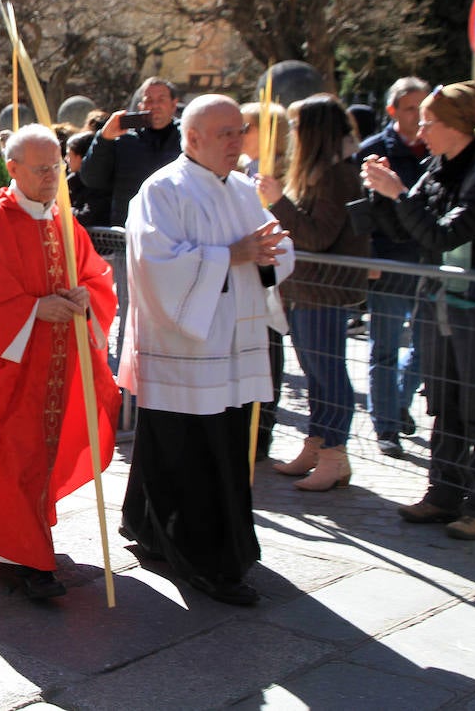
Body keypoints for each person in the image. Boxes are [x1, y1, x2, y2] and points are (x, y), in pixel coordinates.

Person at [0, 124, 120, 599]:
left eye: (56, 167)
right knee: (7, 457)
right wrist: (34, 310)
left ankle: (28, 543)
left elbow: (97, 276)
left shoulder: (63, 222)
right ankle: (21, 557)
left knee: (38, 458)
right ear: (13, 170)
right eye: (41, 169)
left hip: (53, 370)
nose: (53, 177)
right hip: (5, 375)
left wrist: (84, 295)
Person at [119, 94, 295, 606]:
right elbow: (156, 265)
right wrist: (231, 256)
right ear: (191, 137)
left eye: (239, 130)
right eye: (225, 133)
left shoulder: (243, 189)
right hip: (185, 349)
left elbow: (276, 248)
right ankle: (205, 562)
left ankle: (149, 526)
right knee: (189, 453)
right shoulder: (161, 190)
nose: (237, 140)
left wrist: (264, 255)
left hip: (232, 344)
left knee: (212, 444)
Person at [361, 81, 475, 541]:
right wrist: (381, 193)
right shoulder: (439, 165)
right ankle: (444, 495)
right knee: (445, 403)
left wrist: (399, 195)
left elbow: (442, 236)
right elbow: (413, 229)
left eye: (428, 121)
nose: (419, 128)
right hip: (441, 301)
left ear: (456, 125)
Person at [258, 96, 368, 490]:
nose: (291, 134)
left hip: (323, 290)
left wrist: (278, 202)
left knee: (327, 372)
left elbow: (318, 236)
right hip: (306, 288)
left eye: (296, 126)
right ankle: (318, 443)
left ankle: (334, 451)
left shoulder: (337, 174)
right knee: (316, 373)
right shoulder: (321, 172)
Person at [356, 76, 429, 456]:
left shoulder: (437, 148)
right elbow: (361, 213)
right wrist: (367, 255)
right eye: (410, 108)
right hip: (387, 260)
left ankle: (398, 401)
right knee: (384, 345)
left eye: (423, 107)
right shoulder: (372, 150)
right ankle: (386, 426)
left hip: (429, 259)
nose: (418, 116)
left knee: (426, 343)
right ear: (392, 111)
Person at [239, 101, 291, 460]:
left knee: (269, 355)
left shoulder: (286, 172)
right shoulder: (240, 170)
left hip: (275, 278)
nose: (240, 136)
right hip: (245, 276)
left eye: (247, 128)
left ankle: (262, 433)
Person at [79, 78, 183, 228]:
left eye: (161, 100)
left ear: (174, 105)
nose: (154, 106)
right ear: (140, 106)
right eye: (148, 100)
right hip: (129, 230)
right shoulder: (122, 138)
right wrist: (104, 138)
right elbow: (92, 179)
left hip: (176, 227)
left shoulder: (187, 138)